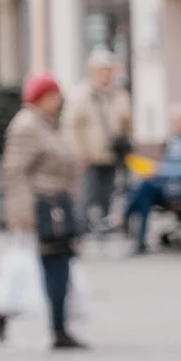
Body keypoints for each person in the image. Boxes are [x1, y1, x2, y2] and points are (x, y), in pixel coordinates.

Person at [0, 72, 87, 350]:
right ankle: (55, 328)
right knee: (53, 267)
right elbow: (15, 172)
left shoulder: (50, 125)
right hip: (42, 207)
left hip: (59, 205)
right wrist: (23, 214)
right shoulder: (26, 126)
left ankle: (58, 327)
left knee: (59, 267)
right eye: (52, 95)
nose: (58, 100)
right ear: (39, 97)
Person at [65, 48, 132, 233]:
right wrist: (79, 153)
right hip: (88, 157)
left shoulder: (119, 95)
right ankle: (80, 232)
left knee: (108, 195)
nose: (107, 74)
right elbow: (70, 128)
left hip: (111, 155)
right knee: (86, 196)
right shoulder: (80, 96)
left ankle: (102, 230)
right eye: (103, 70)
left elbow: (127, 124)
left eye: (110, 70)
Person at [122, 107, 181, 253]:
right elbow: (168, 163)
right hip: (168, 185)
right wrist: (155, 168)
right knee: (145, 192)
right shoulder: (173, 140)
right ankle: (139, 241)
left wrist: (161, 171)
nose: (176, 125)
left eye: (179, 121)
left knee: (146, 187)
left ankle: (125, 216)